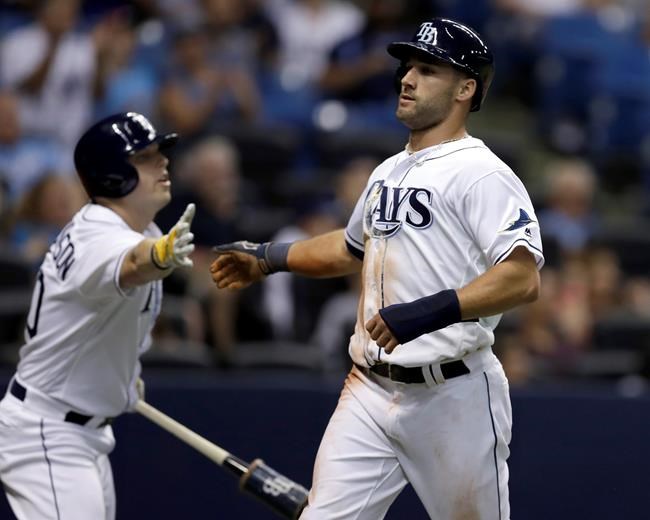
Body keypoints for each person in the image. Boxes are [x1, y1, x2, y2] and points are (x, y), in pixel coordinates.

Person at [211, 18, 544, 519]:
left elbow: (522, 277)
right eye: (408, 67)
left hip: (452, 394)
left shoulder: (483, 173)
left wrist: (431, 312)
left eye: (428, 70)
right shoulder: (388, 169)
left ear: (465, 89)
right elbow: (350, 250)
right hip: (369, 388)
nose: (407, 78)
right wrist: (268, 257)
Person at [0, 112, 195, 520]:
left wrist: (120, 375)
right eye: (146, 157)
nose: (163, 163)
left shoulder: (144, 230)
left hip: (82, 433)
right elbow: (132, 265)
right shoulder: (99, 234)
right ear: (112, 173)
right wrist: (159, 259)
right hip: (48, 432)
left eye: (160, 153)